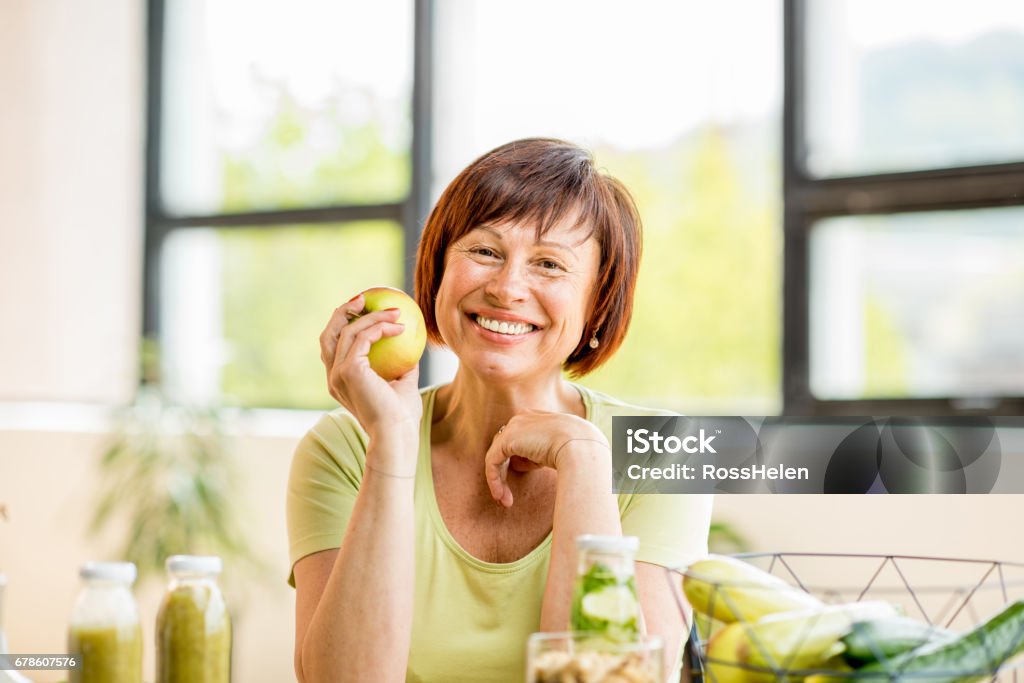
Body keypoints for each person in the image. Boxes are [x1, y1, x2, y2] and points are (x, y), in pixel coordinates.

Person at [287, 137, 713, 682]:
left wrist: (582, 458)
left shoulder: (666, 453)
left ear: (597, 303)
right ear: (438, 269)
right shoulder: (342, 449)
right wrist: (392, 445)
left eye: (549, 264)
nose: (508, 288)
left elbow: (607, 679)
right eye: (484, 251)